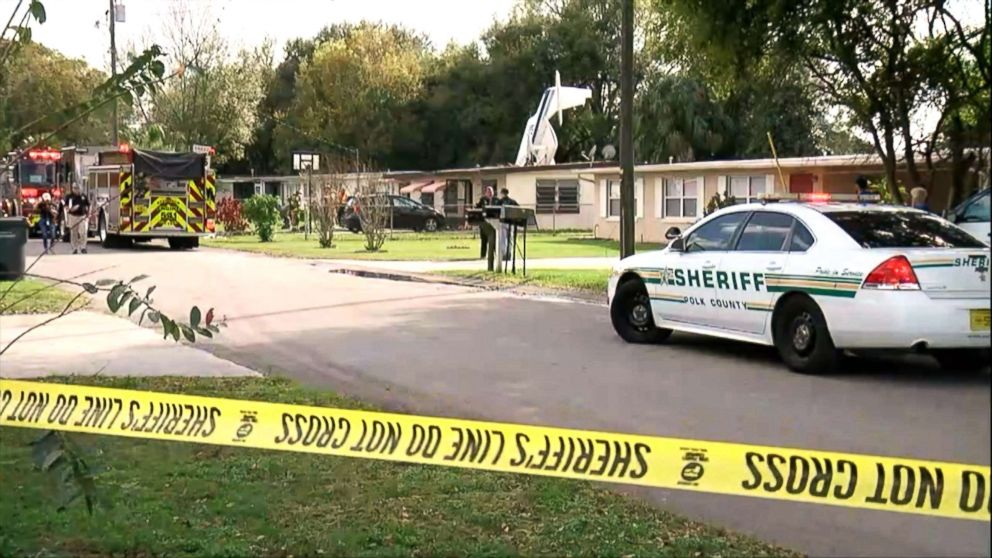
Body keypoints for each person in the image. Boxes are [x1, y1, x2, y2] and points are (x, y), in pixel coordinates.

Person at [64, 185, 91, 254]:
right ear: (72, 189)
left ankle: (83, 247)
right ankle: (74, 248)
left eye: (77, 188)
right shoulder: (69, 197)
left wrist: (88, 213)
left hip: (82, 216)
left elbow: (88, 205)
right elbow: (66, 207)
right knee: (73, 233)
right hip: (73, 216)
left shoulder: (83, 196)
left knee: (83, 232)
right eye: (74, 188)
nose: (76, 190)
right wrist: (71, 209)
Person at [495, 188, 518, 262]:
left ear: (502, 193)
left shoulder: (500, 202)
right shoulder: (512, 201)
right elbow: (518, 208)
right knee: (510, 239)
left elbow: (496, 210)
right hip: (511, 222)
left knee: (503, 239)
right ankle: (509, 253)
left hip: (503, 222)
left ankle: (504, 254)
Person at [475, 186, 496, 262]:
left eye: (491, 191)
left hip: (494, 223)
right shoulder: (482, 200)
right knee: (484, 239)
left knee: (494, 240)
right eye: (488, 191)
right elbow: (477, 208)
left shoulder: (495, 200)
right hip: (484, 222)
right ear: (485, 192)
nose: (489, 193)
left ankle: (495, 255)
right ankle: (483, 255)